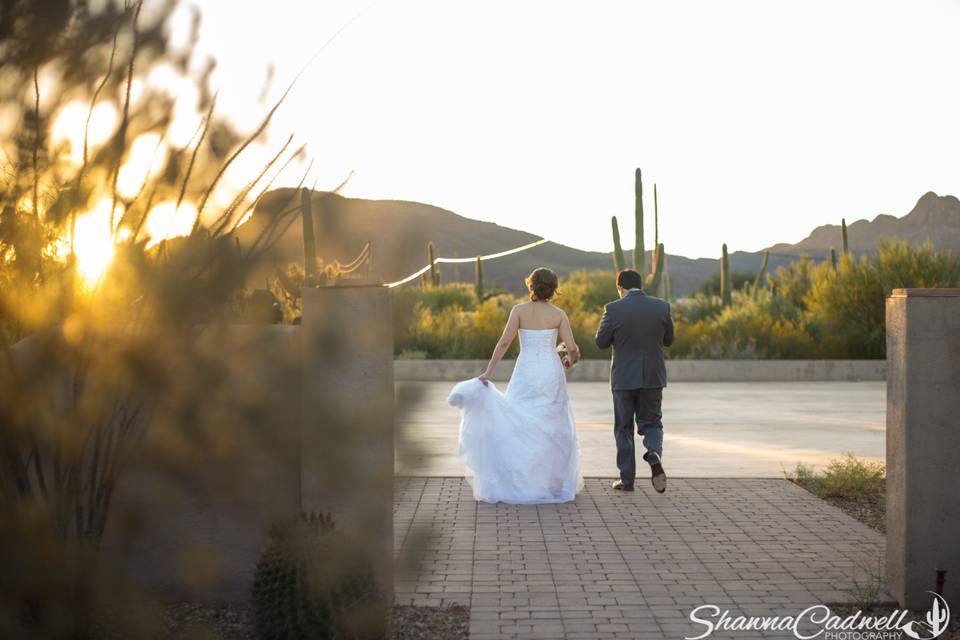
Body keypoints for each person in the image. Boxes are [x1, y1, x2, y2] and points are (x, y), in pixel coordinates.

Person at [447, 267, 584, 504]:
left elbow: (503, 343)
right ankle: (550, 481)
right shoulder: (559, 314)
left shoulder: (519, 310)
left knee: (520, 421)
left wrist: (488, 373)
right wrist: (570, 359)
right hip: (550, 371)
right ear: (554, 289)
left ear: (531, 286)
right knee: (552, 424)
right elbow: (571, 347)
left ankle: (523, 479)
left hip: (526, 370)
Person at [595, 269, 674, 493]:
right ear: (641, 285)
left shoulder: (612, 309)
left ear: (620, 287)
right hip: (653, 375)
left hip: (623, 378)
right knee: (652, 423)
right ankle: (654, 453)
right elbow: (669, 340)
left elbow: (601, 342)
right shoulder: (662, 306)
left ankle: (627, 481)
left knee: (623, 428)